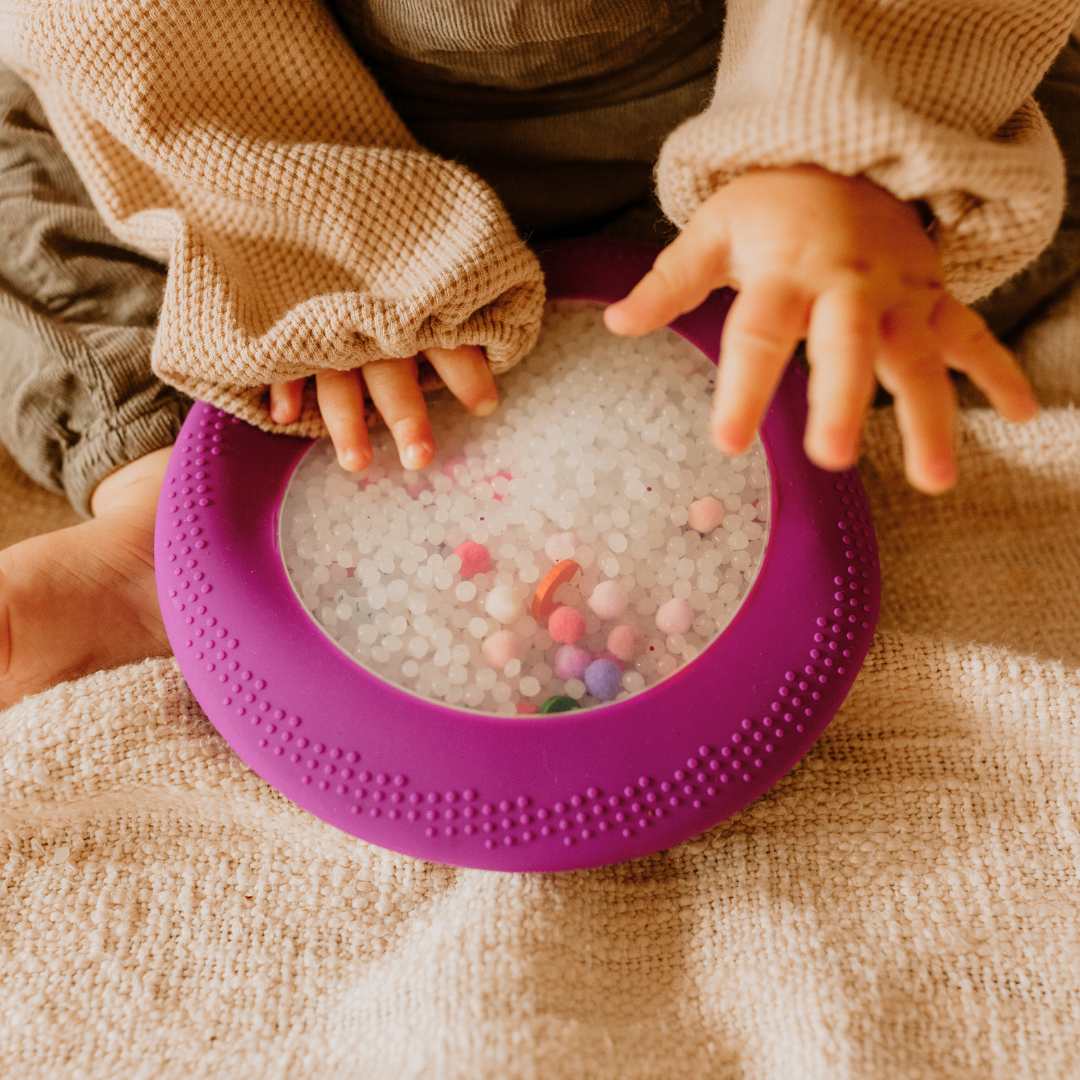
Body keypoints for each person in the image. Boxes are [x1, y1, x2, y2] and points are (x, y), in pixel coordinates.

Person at [0, 0, 1077, 708]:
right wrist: (303, 234)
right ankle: (183, 494)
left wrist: (837, 145)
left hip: (751, 96)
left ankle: (817, 307)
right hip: (246, 137)